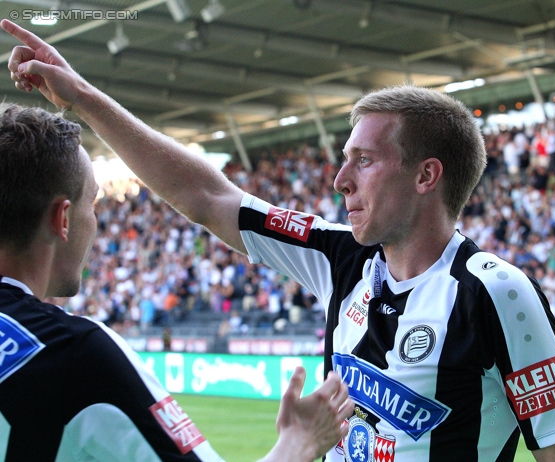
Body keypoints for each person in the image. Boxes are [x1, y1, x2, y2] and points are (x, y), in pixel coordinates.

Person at [1, 19, 555, 461]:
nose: (339, 181)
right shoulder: (340, 257)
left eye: (363, 161)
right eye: (342, 160)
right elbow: (209, 198)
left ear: (425, 175)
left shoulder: (500, 295)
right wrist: (81, 96)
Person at [0, 105, 353, 459]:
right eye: (91, 203)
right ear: (62, 218)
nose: (96, 220)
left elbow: (213, 199)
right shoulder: (76, 353)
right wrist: (297, 443)